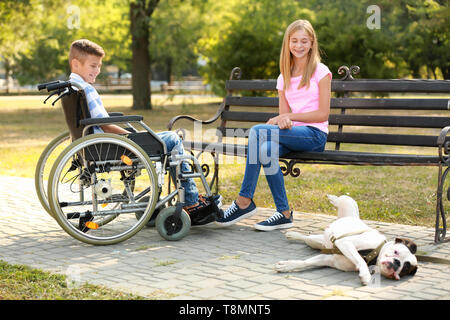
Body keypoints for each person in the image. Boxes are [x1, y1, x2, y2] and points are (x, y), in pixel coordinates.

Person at [67, 39, 221, 224]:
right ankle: (191, 202)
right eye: (93, 65)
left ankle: (171, 201)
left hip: (95, 145)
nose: (97, 70)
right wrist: (129, 137)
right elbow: (105, 124)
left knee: (166, 141)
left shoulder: (72, 86)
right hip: (112, 147)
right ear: (76, 63)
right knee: (172, 139)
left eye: (99, 66)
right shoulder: (87, 90)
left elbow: (94, 123)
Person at [216, 20, 331, 231]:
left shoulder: (321, 72)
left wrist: (288, 116)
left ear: (312, 43)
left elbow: (323, 113)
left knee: (257, 131)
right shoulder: (284, 77)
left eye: (304, 41)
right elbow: (284, 115)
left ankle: (244, 200)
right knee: (266, 149)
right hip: (292, 133)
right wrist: (284, 119)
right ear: (287, 43)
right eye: (294, 41)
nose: (299, 45)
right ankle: (284, 213)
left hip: (314, 135)